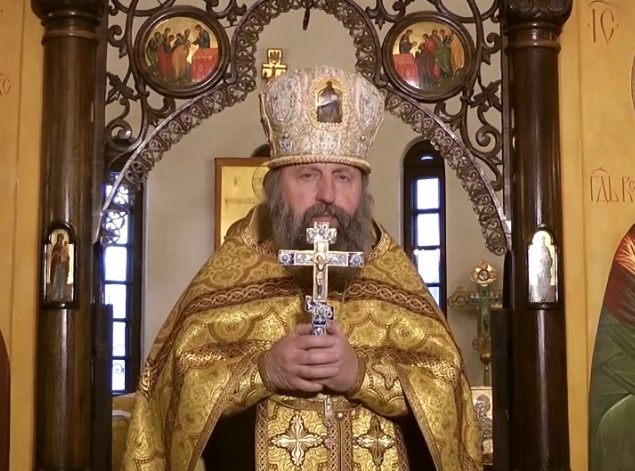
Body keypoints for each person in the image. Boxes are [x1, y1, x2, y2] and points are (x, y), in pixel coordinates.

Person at [120, 66, 482, 471]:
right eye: (307, 175)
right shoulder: (227, 276)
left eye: (343, 177)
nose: (327, 194)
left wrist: (361, 375)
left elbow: (448, 391)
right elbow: (171, 394)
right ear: (276, 186)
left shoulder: (394, 276)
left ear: (362, 189)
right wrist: (264, 370)